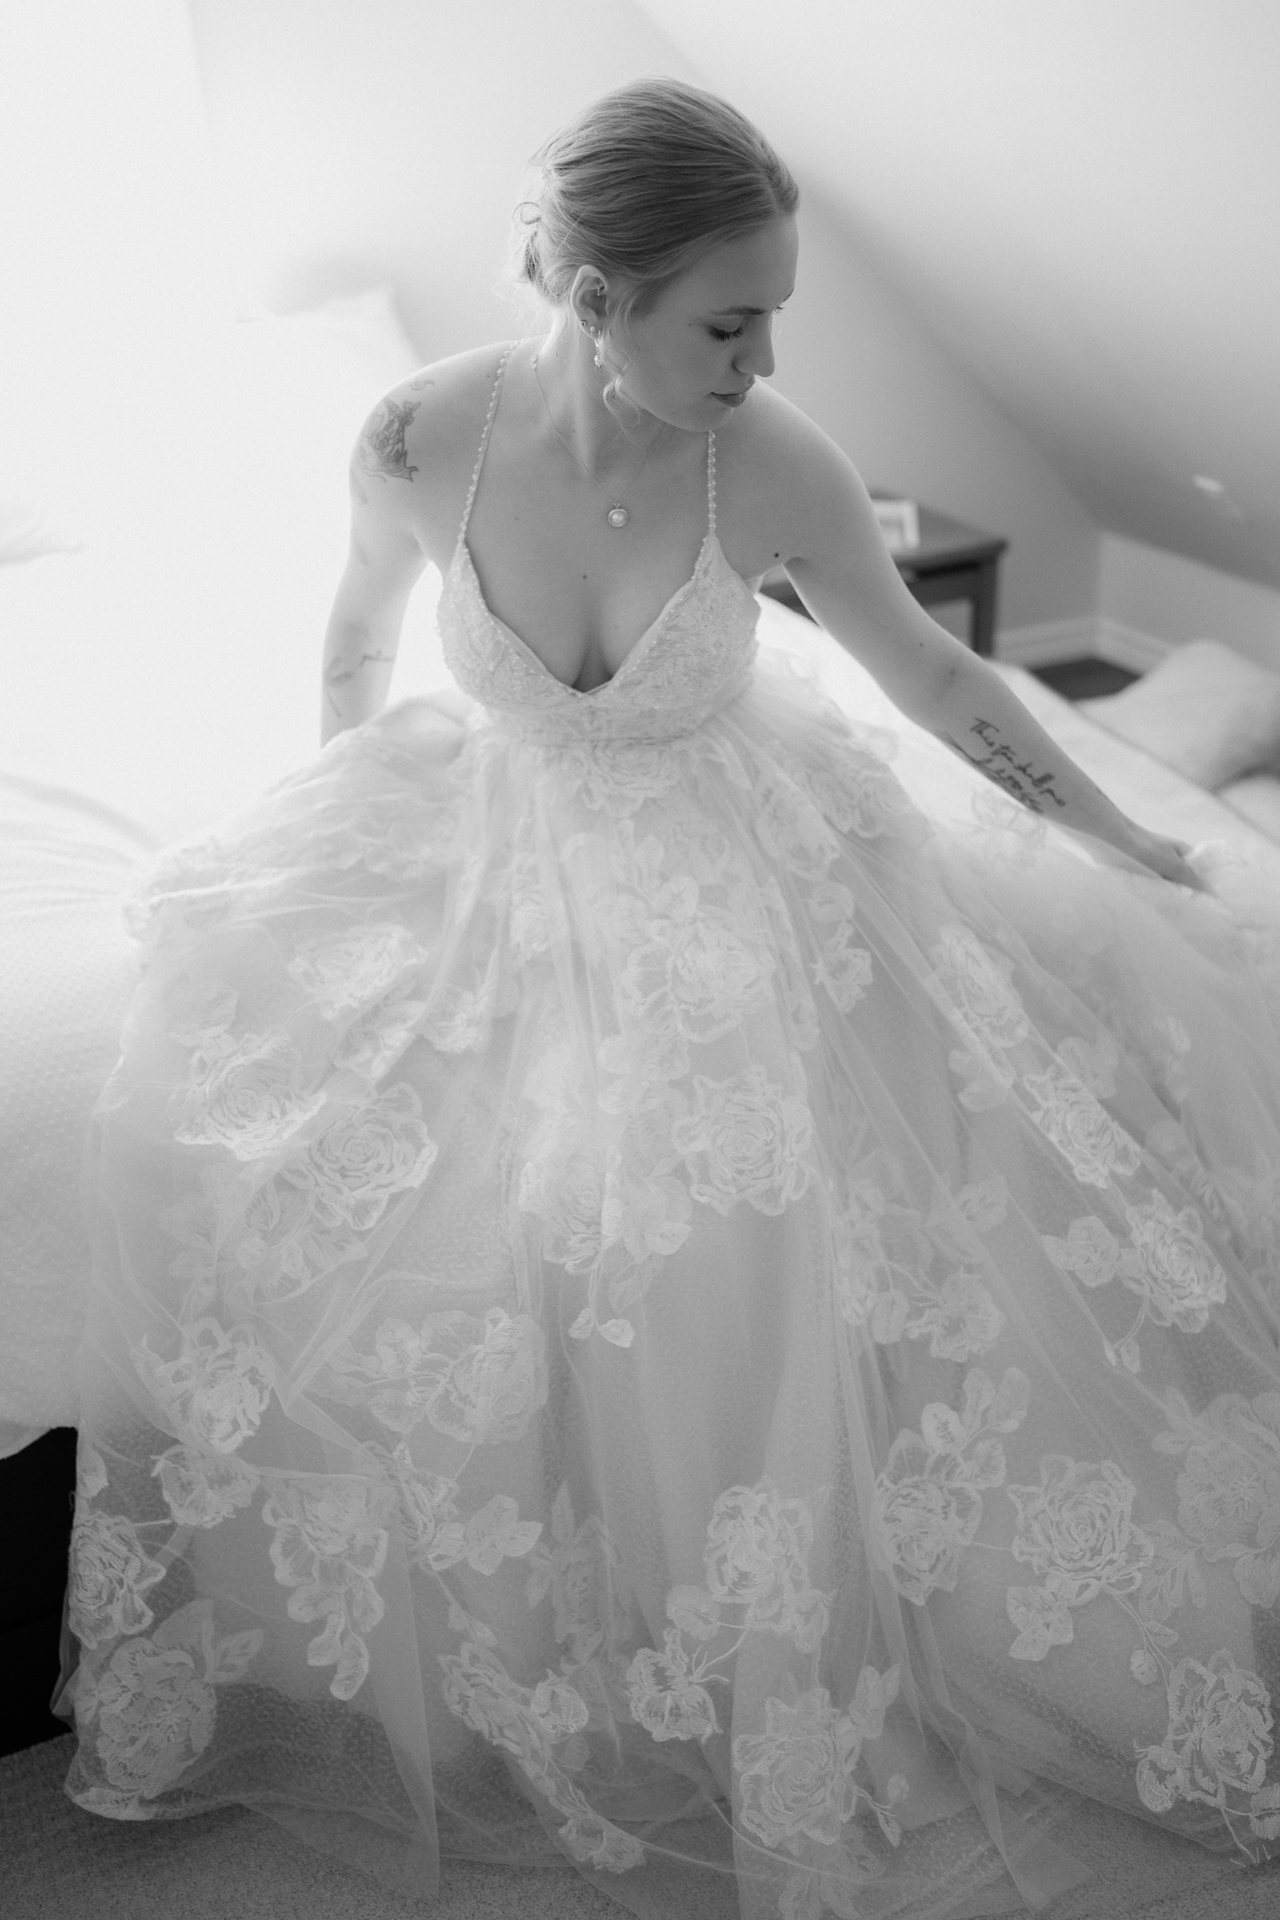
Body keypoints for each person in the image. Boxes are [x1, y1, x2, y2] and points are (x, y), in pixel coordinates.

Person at [58, 77, 1280, 1920]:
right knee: (299, 1153)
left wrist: (1119, 832)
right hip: (506, 840)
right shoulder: (415, 437)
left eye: (775, 313)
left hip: (744, 857)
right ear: (591, 297)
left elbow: (938, 676)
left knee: (754, 1201)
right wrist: (337, 821)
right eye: (730, 319)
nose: (764, 355)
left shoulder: (771, 462)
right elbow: (355, 638)